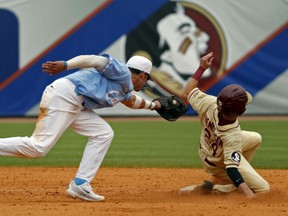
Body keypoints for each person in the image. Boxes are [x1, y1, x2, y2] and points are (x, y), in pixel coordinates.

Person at [0, 54, 162, 202]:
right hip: (65, 95)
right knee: (38, 148)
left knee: (103, 133)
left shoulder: (124, 87)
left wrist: (154, 106)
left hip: (77, 104)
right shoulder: (122, 72)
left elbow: (131, 101)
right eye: (146, 79)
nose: (146, 83)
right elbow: (94, 60)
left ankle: (80, 184)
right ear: (142, 75)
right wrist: (66, 65)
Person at [179, 52, 270, 198]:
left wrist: (201, 68)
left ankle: (236, 177)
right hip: (217, 162)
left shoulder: (210, 103)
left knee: (256, 138)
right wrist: (248, 193)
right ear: (241, 111)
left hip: (207, 147)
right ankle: (213, 189)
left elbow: (186, 93)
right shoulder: (232, 133)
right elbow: (232, 169)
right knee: (264, 189)